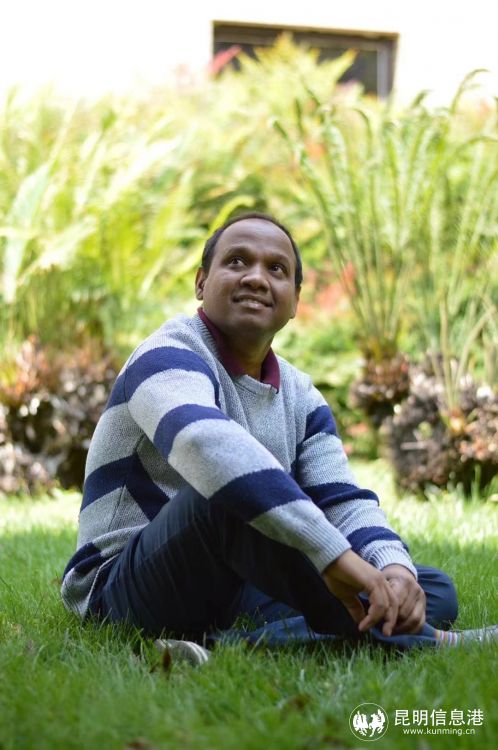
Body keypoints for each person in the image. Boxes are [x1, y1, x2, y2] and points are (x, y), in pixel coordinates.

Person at [61, 212, 494, 662]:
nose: (255, 277)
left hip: (231, 584)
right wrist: (334, 557)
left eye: (276, 269)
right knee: (226, 497)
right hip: (121, 586)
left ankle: (219, 649)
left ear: (294, 301)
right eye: (236, 261)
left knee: (426, 590)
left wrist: (393, 568)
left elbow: (341, 499)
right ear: (201, 283)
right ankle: (438, 642)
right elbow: (204, 446)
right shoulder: (168, 352)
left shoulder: (300, 393)